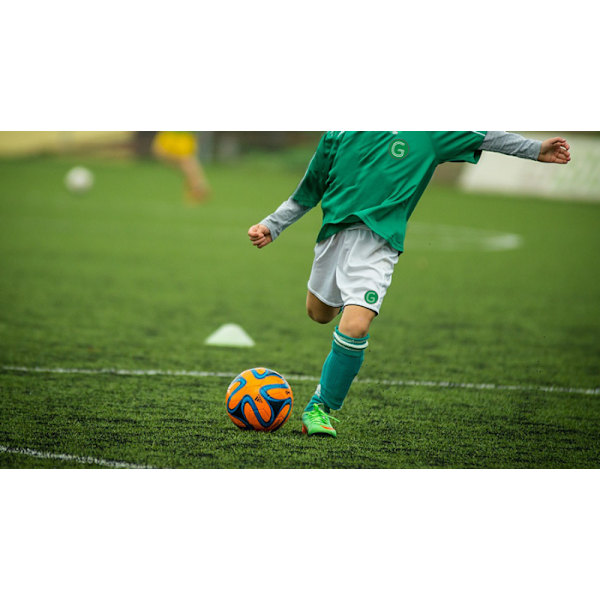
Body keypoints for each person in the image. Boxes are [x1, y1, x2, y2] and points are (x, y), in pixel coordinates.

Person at [247, 131, 571, 437]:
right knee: (318, 313)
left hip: (378, 244)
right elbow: (308, 191)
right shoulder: (340, 132)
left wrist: (535, 149)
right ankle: (348, 309)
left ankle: (320, 407)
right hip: (333, 237)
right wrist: (272, 225)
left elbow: (484, 136)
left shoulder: (428, 131)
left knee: (356, 326)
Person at [152, 132, 210, 203]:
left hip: (181, 137)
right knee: (187, 164)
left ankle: (198, 186)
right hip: (175, 136)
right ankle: (198, 185)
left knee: (186, 163)